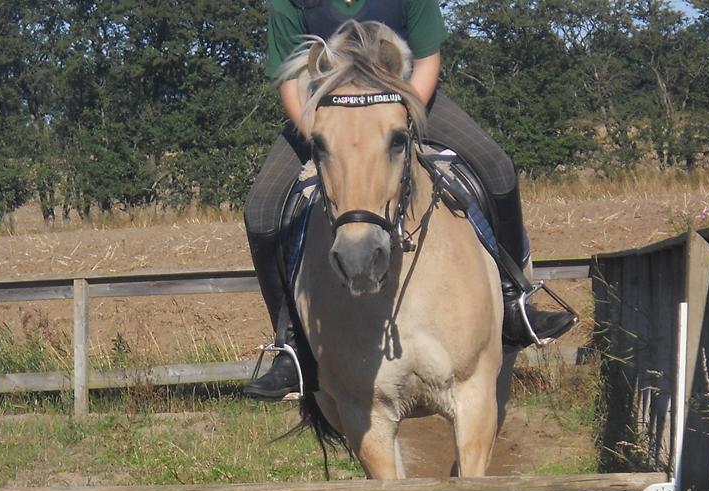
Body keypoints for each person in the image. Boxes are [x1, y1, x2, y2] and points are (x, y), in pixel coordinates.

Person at [242, 0, 576, 400]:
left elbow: (427, 59)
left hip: (408, 103)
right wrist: (319, 133)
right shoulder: (290, 4)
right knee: (260, 210)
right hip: (328, 118)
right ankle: (292, 346)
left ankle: (513, 302)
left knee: (498, 168)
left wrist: (399, 117)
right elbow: (290, 82)